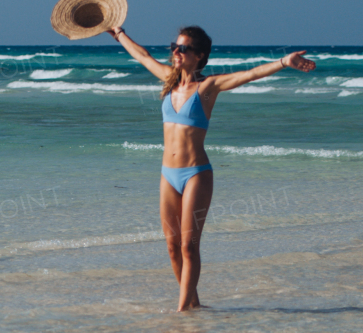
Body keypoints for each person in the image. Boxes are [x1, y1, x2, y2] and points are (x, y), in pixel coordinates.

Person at [109, 22, 315, 311]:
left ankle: (180, 313)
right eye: (174, 47)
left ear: (200, 56)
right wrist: (119, 34)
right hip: (167, 176)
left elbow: (249, 74)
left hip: (196, 174)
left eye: (184, 48)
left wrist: (284, 61)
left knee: (188, 247)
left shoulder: (208, 87)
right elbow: (142, 56)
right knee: (171, 248)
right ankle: (193, 306)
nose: (177, 52)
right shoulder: (168, 79)